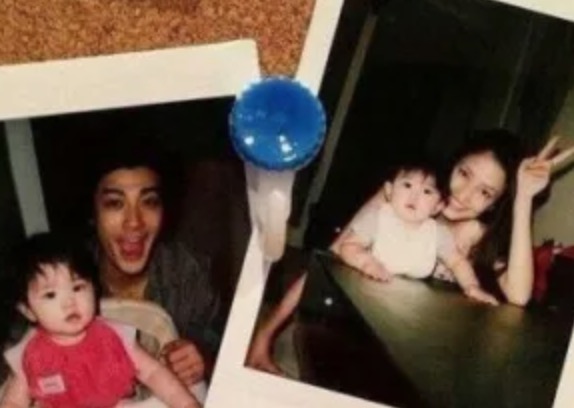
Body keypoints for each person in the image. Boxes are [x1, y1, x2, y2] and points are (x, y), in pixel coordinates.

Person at [246, 129, 574, 375]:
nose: (464, 194)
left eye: (485, 192)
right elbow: (327, 259)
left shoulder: (481, 236)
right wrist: (264, 336)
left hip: (423, 352)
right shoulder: (400, 198)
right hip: (357, 327)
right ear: (453, 164)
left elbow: (518, 296)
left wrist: (524, 196)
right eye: (464, 174)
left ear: (494, 203)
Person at [0, 232, 200, 408]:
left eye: (78, 287)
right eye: (50, 295)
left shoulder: (114, 336)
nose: (69, 302)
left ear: (94, 289)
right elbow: (13, 402)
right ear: (28, 310)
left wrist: (186, 403)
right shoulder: (30, 354)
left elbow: (153, 373)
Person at [87, 133, 221, 388]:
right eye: (115, 203)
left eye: (149, 202)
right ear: (93, 213)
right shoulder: (63, 276)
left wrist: (202, 360)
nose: (134, 222)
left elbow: (225, 353)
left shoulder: (188, 272)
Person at [334, 155, 497, 304]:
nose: (414, 196)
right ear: (389, 190)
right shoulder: (378, 218)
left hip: (411, 303)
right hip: (365, 293)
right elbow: (348, 246)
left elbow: (457, 262)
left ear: (438, 206)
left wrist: (472, 286)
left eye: (427, 191)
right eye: (407, 185)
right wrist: (366, 263)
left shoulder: (437, 233)